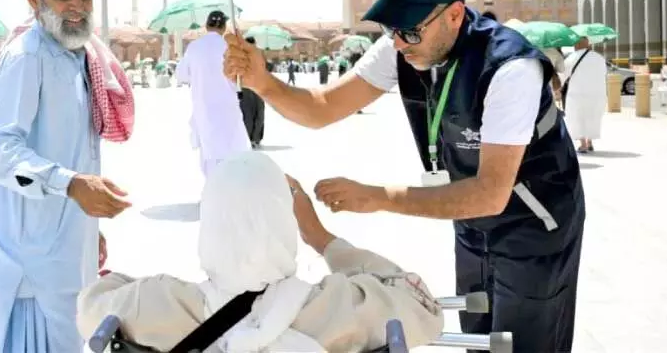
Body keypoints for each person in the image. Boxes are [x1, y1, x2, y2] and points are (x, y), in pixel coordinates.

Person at [224, 0, 585, 353]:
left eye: (410, 30)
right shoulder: (402, 46)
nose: (398, 42)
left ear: (454, 14)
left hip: (534, 222)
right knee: (481, 336)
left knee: (524, 343)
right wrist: (264, 83)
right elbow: (322, 107)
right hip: (471, 223)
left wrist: (378, 197)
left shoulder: (509, 68)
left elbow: (490, 193)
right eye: (390, 26)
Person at [76, 151, 444, 352]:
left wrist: (138, 287)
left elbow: (90, 305)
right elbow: (422, 303)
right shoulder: (345, 308)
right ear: (285, 225)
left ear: (210, 230)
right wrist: (321, 238)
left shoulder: (153, 303)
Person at [0, 0, 134, 353]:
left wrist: (86, 224)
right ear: (34, 0)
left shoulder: (78, 57)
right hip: (31, 260)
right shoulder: (28, 56)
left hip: (66, 249)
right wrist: (70, 184)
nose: (77, 5)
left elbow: (70, 150)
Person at [176, 10, 250, 178]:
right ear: (224, 27)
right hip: (228, 107)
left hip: (204, 108)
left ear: (206, 26)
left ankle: (213, 188)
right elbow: (242, 77)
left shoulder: (194, 47)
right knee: (233, 151)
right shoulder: (230, 47)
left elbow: (182, 75)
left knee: (210, 155)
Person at [563, 37, 607, 153]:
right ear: (588, 45)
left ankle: (583, 145)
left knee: (577, 118)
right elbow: (604, 73)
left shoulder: (572, 57)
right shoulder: (599, 58)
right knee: (593, 117)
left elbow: (563, 74)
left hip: (577, 94)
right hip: (597, 94)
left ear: (577, 45)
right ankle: (590, 142)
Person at [239, 36, 266, 148]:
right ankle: (255, 138)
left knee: (248, 114)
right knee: (258, 113)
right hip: (257, 87)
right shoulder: (259, 55)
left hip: (246, 87)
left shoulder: (241, 56)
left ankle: (250, 138)